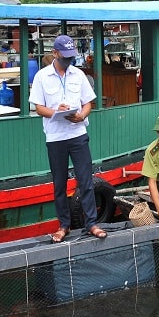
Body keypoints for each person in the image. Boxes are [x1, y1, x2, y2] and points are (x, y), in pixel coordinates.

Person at [29, 34, 106, 242]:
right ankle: (64, 225)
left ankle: (91, 223)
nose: (68, 61)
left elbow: (89, 102)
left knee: (86, 181)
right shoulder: (41, 77)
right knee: (59, 184)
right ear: (55, 53)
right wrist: (56, 111)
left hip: (78, 134)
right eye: (65, 57)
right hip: (55, 137)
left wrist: (81, 115)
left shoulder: (78, 75)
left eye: (71, 57)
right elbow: (38, 108)